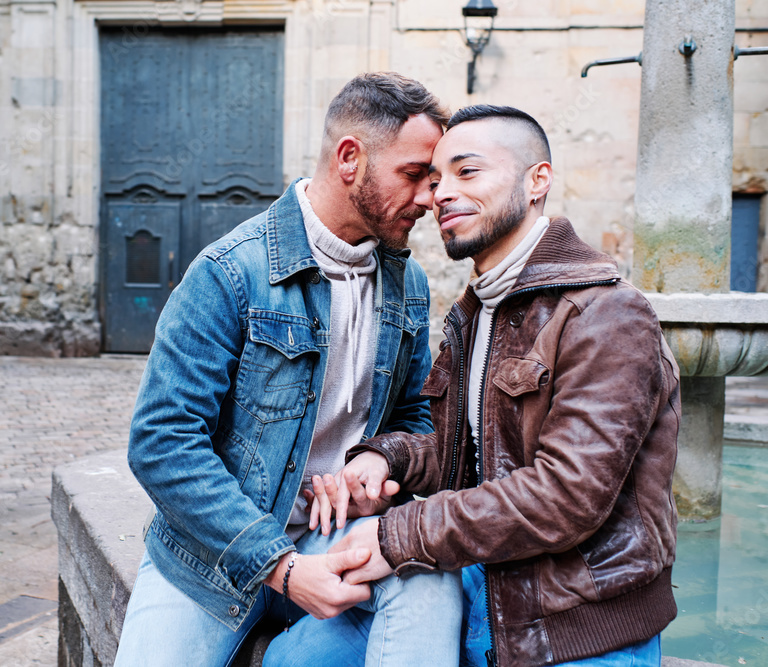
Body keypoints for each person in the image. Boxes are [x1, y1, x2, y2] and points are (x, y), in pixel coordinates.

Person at [272, 105, 680, 667]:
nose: (440, 194)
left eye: (468, 173)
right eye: (434, 179)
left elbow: (567, 496)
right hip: (476, 585)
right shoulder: (478, 312)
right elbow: (474, 452)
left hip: (575, 624)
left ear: (538, 181)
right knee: (288, 661)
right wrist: (388, 459)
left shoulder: (607, 314)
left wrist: (397, 535)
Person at [114, 72, 464, 667]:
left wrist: (372, 463)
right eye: (414, 176)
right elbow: (161, 443)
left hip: (339, 535)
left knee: (431, 576)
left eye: (433, 181)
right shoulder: (230, 272)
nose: (431, 199)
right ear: (350, 158)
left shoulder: (407, 285)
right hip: (214, 555)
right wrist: (280, 566)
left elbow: (413, 418)